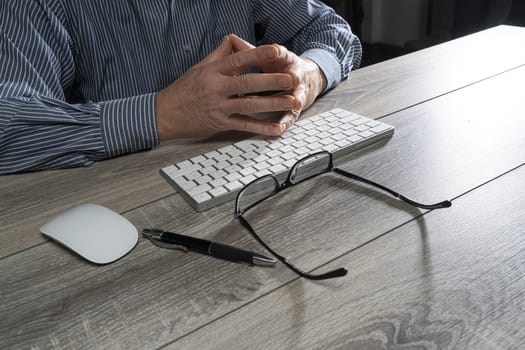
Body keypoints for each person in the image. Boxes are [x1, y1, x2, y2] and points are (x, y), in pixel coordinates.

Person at [0, 0, 361, 175]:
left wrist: (307, 76)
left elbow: (332, 30)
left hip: (251, 168)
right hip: (119, 205)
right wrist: (164, 114)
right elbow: (8, 126)